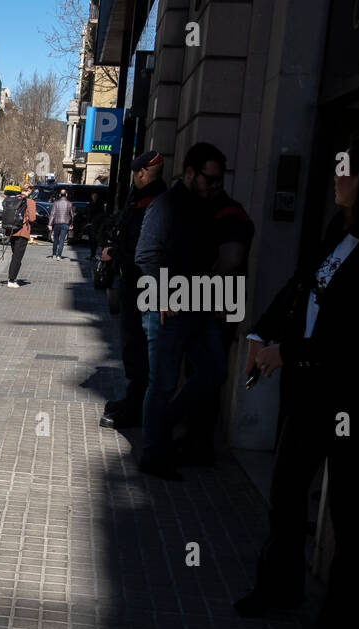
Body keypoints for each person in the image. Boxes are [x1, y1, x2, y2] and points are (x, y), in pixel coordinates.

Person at [233, 131, 359, 629]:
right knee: (286, 490)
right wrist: (261, 332)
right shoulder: (337, 228)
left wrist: (289, 352)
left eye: (347, 169)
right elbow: (303, 286)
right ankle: (280, 588)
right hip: (310, 393)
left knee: (349, 517)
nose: (337, 178)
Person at [133, 142, 229, 480]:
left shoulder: (207, 207)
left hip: (200, 305)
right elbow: (145, 253)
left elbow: (208, 259)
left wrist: (217, 299)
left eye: (219, 181)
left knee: (215, 371)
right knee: (162, 383)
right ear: (189, 173)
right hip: (166, 310)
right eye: (210, 179)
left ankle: (163, 425)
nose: (215, 186)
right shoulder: (166, 204)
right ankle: (152, 454)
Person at [176, 180, 254, 465]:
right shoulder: (231, 212)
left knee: (206, 373)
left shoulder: (226, 214)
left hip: (215, 306)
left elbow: (231, 259)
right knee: (206, 372)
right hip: (218, 304)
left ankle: (198, 444)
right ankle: (196, 440)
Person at [100, 150, 166, 430]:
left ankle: (137, 409)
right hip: (137, 283)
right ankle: (133, 400)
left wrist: (113, 253)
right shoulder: (142, 198)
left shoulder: (154, 201)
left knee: (138, 349)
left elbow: (141, 247)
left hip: (144, 285)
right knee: (133, 347)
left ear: (141, 173)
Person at [4, 181, 36, 287]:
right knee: (17, 257)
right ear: (28, 190)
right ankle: (11, 280)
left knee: (15, 256)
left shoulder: (14, 199)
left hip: (12, 231)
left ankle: (13, 277)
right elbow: (32, 218)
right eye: (31, 189)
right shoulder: (30, 202)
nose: (31, 191)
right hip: (23, 232)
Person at [48, 188, 73, 259]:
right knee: (62, 240)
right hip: (65, 223)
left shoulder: (56, 203)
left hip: (57, 223)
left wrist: (50, 224)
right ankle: (59, 255)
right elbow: (71, 215)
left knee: (56, 239)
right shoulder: (69, 203)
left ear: (59, 195)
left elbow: (52, 214)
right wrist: (71, 224)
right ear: (66, 195)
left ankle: (53, 254)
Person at [87, 191, 107, 260]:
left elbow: (102, 214)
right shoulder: (90, 203)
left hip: (97, 225)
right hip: (91, 224)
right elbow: (88, 213)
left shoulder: (100, 204)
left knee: (95, 240)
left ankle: (95, 254)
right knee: (91, 240)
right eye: (93, 196)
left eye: (95, 196)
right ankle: (92, 254)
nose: (94, 197)